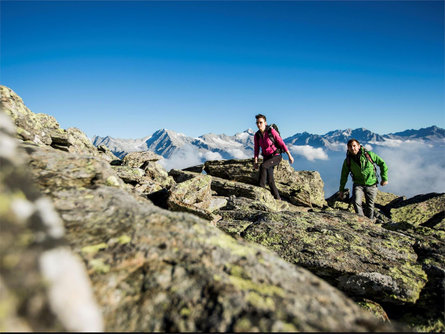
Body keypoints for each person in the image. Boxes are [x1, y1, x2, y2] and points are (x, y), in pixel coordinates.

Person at [339, 139, 388, 220]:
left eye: (354, 146)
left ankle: (370, 221)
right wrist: (341, 190)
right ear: (348, 148)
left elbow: (382, 164)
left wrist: (384, 178)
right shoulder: (347, 161)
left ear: (359, 146)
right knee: (356, 202)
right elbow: (344, 175)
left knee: (370, 205)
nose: (352, 148)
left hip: (372, 184)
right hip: (358, 184)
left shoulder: (369, 155)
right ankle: (362, 220)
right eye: (350, 146)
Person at [253, 114, 294, 200]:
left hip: (276, 156)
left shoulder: (271, 131)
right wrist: (255, 161)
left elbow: (281, 143)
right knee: (270, 180)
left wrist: (289, 155)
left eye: (260, 122)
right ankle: (278, 198)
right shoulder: (257, 135)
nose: (258, 124)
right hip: (266, 157)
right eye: (257, 123)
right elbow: (256, 149)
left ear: (265, 123)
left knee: (263, 166)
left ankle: (261, 190)